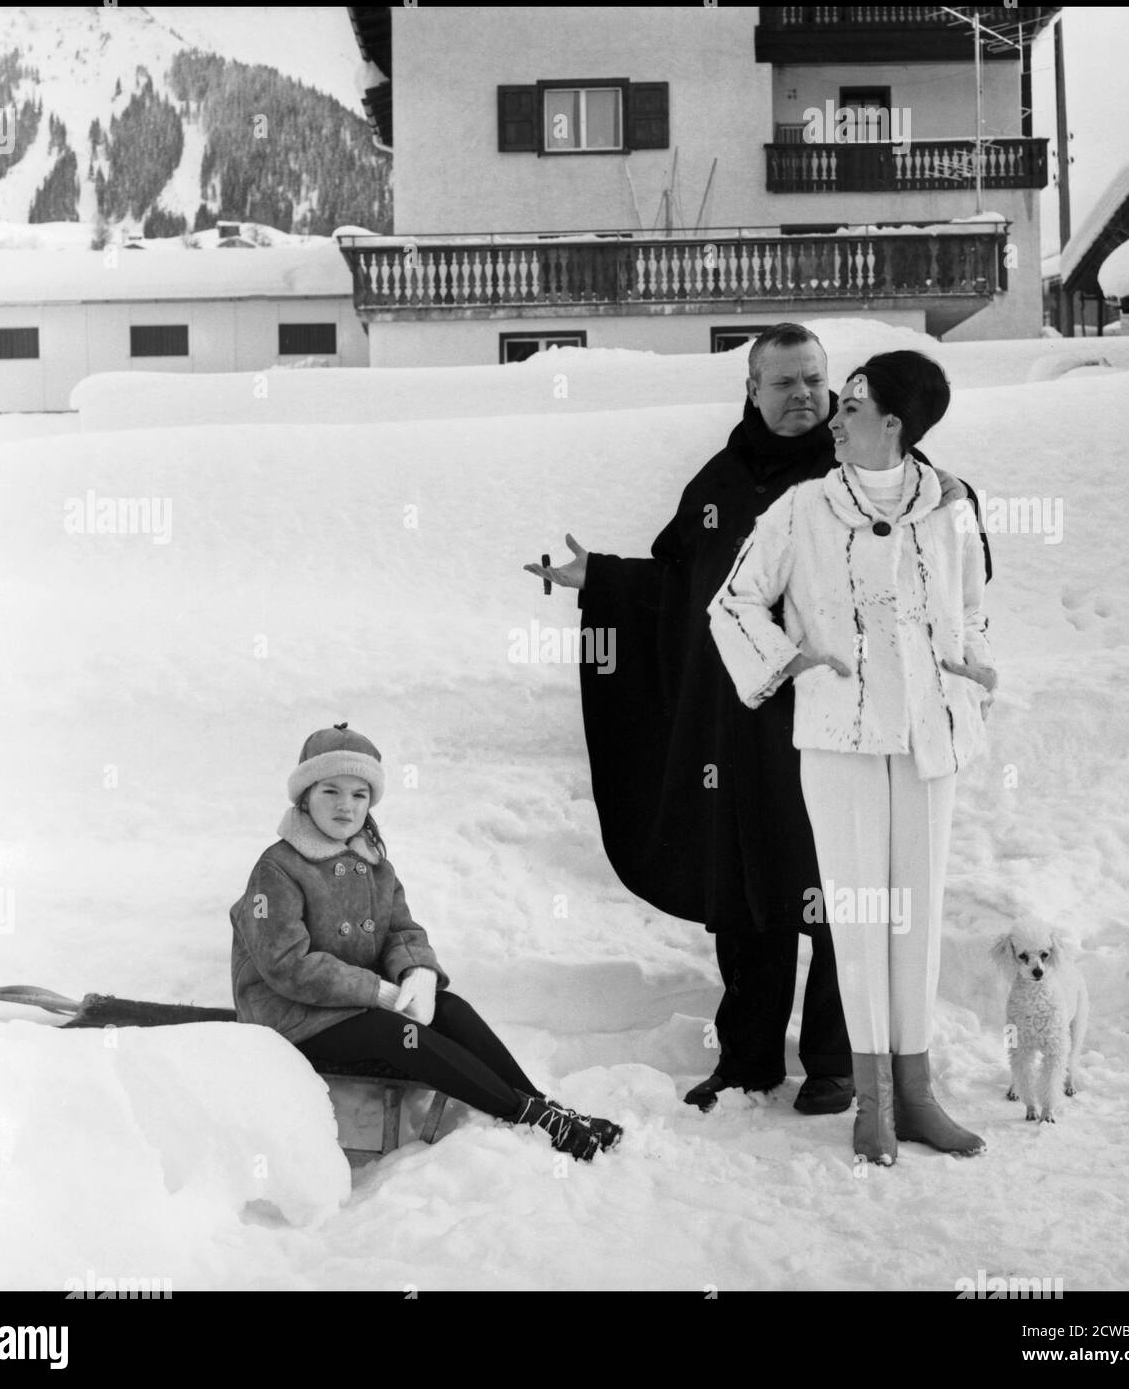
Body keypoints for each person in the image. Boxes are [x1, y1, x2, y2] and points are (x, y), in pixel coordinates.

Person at [526, 324, 990, 1114]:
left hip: (843, 728)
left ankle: (839, 1064)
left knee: (842, 892)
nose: (807, 396)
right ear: (752, 389)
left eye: (817, 380)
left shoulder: (866, 467)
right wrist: (598, 580)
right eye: (786, 383)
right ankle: (746, 1059)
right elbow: (687, 587)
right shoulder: (720, 485)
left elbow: (943, 568)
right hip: (741, 734)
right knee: (748, 896)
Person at [708, 350, 994, 1165]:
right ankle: (872, 1103)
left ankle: (918, 1093)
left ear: (896, 424)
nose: (834, 414)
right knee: (860, 917)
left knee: (919, 916)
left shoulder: (951, 505)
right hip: (840, 739)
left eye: (854, 404)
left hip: (930, 739)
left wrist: (973, 671)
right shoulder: (801, 510)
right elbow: (732, 605)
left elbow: (973, 607)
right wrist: (788, 660)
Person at [230, 723, 622, 1162]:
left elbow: (401, 930)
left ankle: (542, 1106)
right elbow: (285, 963)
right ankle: (525, 1116)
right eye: (331, 792)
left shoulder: (374, 864)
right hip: (293, 1016)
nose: (346, 806)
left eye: (359, 795)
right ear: (305, 796)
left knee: (449, 1009)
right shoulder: (278, 867)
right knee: (399, 1034)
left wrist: (416, 972)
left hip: (349, 1007)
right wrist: (375, 989)